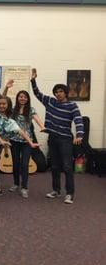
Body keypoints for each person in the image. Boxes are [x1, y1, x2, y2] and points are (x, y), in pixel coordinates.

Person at [31, 68, 84, 204]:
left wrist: (79, 134)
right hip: (53, 138)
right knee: (54, 166)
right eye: (56, 92)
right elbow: (37, 94)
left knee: (67, 166)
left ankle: (70, 194)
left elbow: (78, 120)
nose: (58, 94)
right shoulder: (50, 102)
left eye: (61, 91)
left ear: (65, 93)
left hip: (65, 139)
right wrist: (33, 80)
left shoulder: (72, 105)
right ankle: (56, 190)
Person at [0, 85, 38, 196]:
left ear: (8, 106)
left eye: (4, 104)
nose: (1, 106)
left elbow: (21, 131)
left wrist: (30, 142)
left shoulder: (10, 121)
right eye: (0, 104)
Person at [2, 80, 46, 198]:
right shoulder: (12, 109)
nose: (22, 98)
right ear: (17, 98)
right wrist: (6, 87)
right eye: (20, 97)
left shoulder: (30, 110)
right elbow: (3, 99)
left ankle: (24, 187)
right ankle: (16, 183)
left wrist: (42, 127)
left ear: (27, 99)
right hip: (14, 141)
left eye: (25, 97)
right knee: (15, 164)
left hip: (27, 141)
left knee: (25, 164)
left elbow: (37, 119)